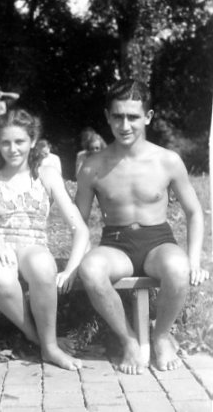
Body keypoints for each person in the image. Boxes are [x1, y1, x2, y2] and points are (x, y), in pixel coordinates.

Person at [75, 79, 209, 375]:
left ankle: (161, 336)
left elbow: (194, 212)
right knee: (91, 269)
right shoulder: (93, 166)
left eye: (133, 117)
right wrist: (79, 257)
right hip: (116, 245)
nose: (125, 125)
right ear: (107, 116)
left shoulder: (167, 160)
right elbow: (78, 221)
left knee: (178, 266)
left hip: (158, 242)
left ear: (147, 117)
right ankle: (129, 340)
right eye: (118, 116)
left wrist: (194, 259)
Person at [0, 109, 89, 370]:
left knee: (42, 265)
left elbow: (80, 229)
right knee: (2, 277)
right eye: (5, 142)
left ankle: (49, 347)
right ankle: (39, 339)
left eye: (20, 142)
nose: (13, 149)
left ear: (33, 141)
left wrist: (71, 269)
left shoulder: (46, 176)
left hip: (34, 247)